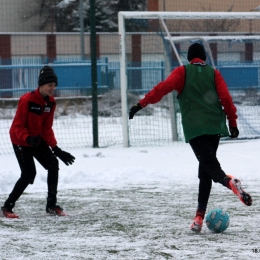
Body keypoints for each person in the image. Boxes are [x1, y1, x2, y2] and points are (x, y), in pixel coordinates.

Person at [129, 43, 252, 232]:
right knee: (206, 171)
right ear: (204, 58)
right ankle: (199, 218)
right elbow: (226, 98)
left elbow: (162, 88)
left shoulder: (182, 72)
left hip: (195, 127)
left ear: (189, 58)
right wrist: (232, 123)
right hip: (214, 127)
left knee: (210, 167)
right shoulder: (213, 73)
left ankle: (230, 183)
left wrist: (141, 104)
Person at [1, 66, 75, 218]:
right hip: (21, 140)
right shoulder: (26, 100)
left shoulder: (51, 103)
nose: (52, 88)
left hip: (37, 140)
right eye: (50, 85)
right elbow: (17, 126)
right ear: (41, 85)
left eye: (54, 85)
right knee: (29, 174)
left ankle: (51, 205)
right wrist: (27, 138)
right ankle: (7, 207)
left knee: (53, 164)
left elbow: (47, 128)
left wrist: (56, 148)